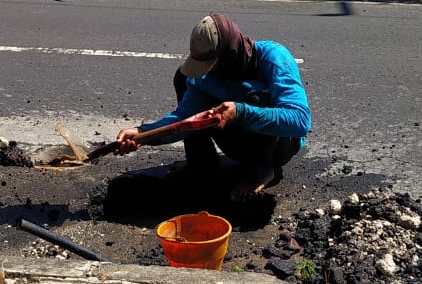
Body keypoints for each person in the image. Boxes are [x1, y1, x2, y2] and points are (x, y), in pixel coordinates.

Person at [115, 12, 311, 199]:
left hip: (279, 147)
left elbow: (300, 121)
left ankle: (263, 171)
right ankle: (202, 165)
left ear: (229, 54)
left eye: (211, 65)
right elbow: (183, 120)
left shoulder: (274, 57)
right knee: (183, 78)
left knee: (257, 99)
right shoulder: (207, 78)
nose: (207, 72)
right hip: (239, 144)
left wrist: (241, 112)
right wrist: (142, 134)